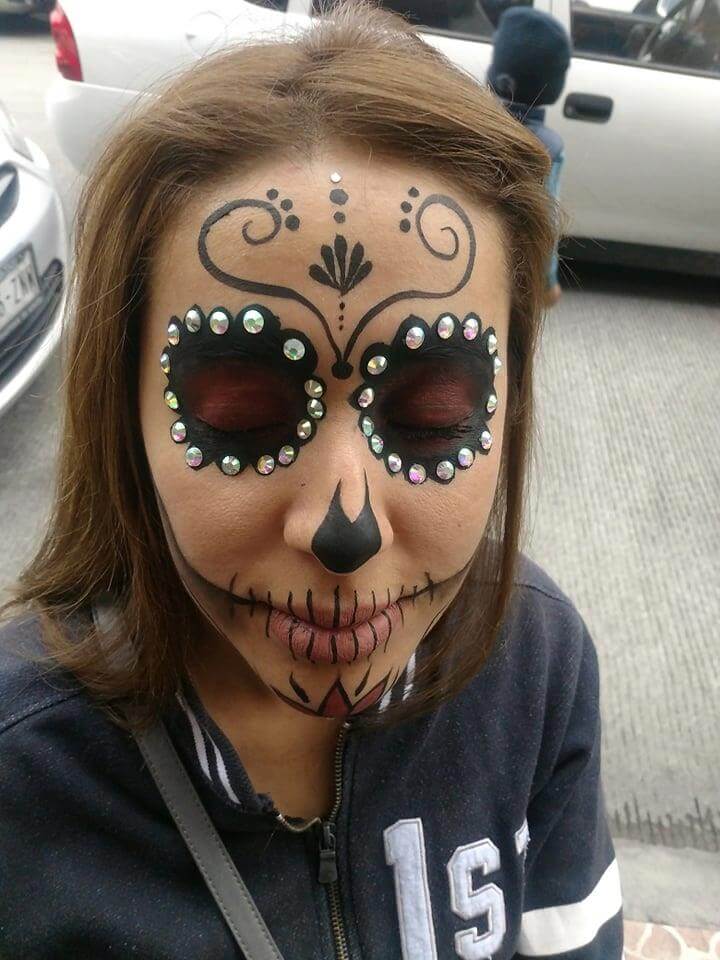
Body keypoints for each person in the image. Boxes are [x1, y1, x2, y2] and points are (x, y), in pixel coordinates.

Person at [0, 3, 623, 957]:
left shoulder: (537, 668)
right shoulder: (21, 770)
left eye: (433, 418)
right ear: (125, 411)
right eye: (242, 415)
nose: (344, 527)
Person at [487, 7, 572, 308]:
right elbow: (545, 225)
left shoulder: (474, 123)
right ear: (554, 86)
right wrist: (547, 283)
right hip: (515, 281)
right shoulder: (548, 148)